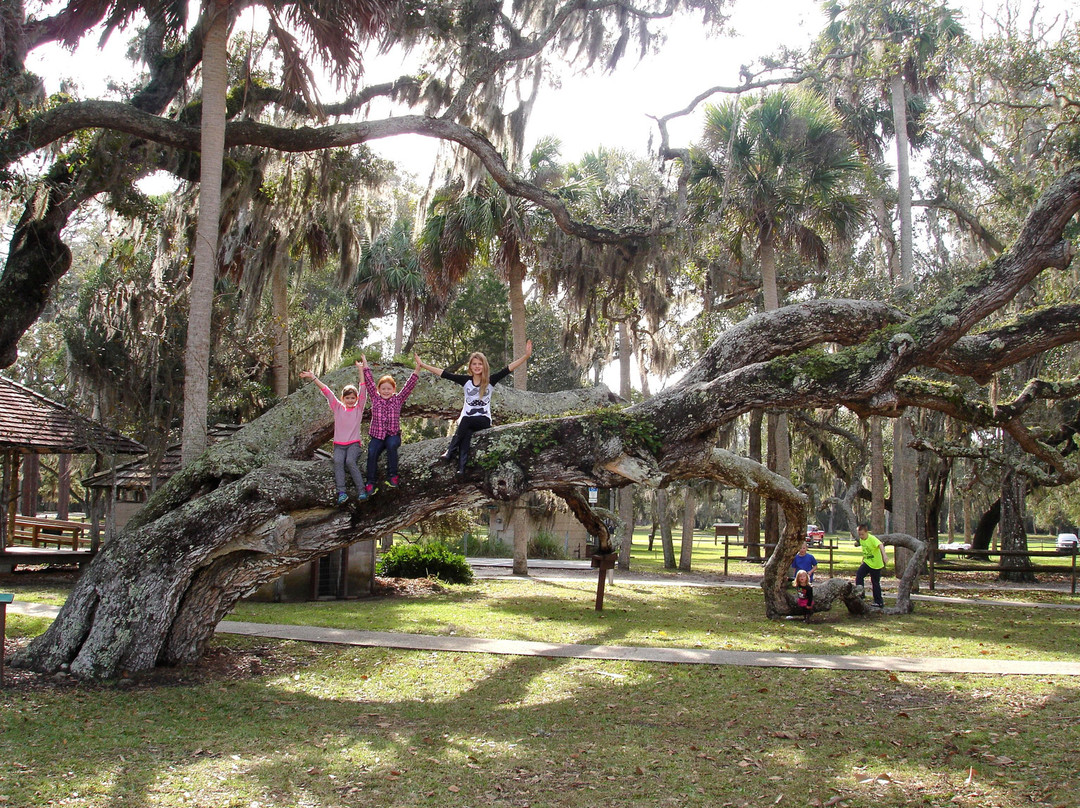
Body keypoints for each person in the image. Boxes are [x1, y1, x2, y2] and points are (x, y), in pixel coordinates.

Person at [415, 340, 534, 476]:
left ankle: (450, 451)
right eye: (474, 364)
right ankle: (461, 468)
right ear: (470, 366)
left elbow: (508, 368)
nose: (477, 366)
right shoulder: (466, 381)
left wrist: (526, 356)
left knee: (465, 420)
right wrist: (423, 365)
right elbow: (444, 373)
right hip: (468, 422)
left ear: (484, 366)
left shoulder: (490, 381)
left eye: (480, 364)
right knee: (466, 434)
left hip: (483, 420)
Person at [299, 364, 368, 504]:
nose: (350, 400)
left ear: (356, 399)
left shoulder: (359, 409)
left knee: (349, 461)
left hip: (354, 445)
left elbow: (363, 389)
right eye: (347, 398)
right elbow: (326, 391)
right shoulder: (337, 408)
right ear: (343, 399)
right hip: (339, 446)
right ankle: (341, 492)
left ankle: (361, 490)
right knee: (337, 461)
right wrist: (313, 377)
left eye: (353, 398)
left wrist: (361, 370)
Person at [361, 354, 420, 495]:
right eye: (383, 389)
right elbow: (369, 382)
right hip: (377, 436)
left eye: (389, 389)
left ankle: (392, 476)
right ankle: (371, 483)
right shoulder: (375, 399)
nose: (386, 391)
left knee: (392, 445)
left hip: (393, 435)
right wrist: (365, 363)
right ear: (379, 390)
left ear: (393, 389)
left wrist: (418, 367)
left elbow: (409, 385)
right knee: (372, 451)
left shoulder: (398, 400)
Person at [855, 522, 887, 608]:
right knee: (859, 575)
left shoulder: (872, 538)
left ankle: (879, 602)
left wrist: (884, 556)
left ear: (867, 532)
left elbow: (880, 545)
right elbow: (865, 551)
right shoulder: (862, 540)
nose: (861, 536)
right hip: (867, 562)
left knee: (875, 582)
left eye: (862, 534)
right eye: (859, 535)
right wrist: (863, 560)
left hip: (876, 564)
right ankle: (860, 595)